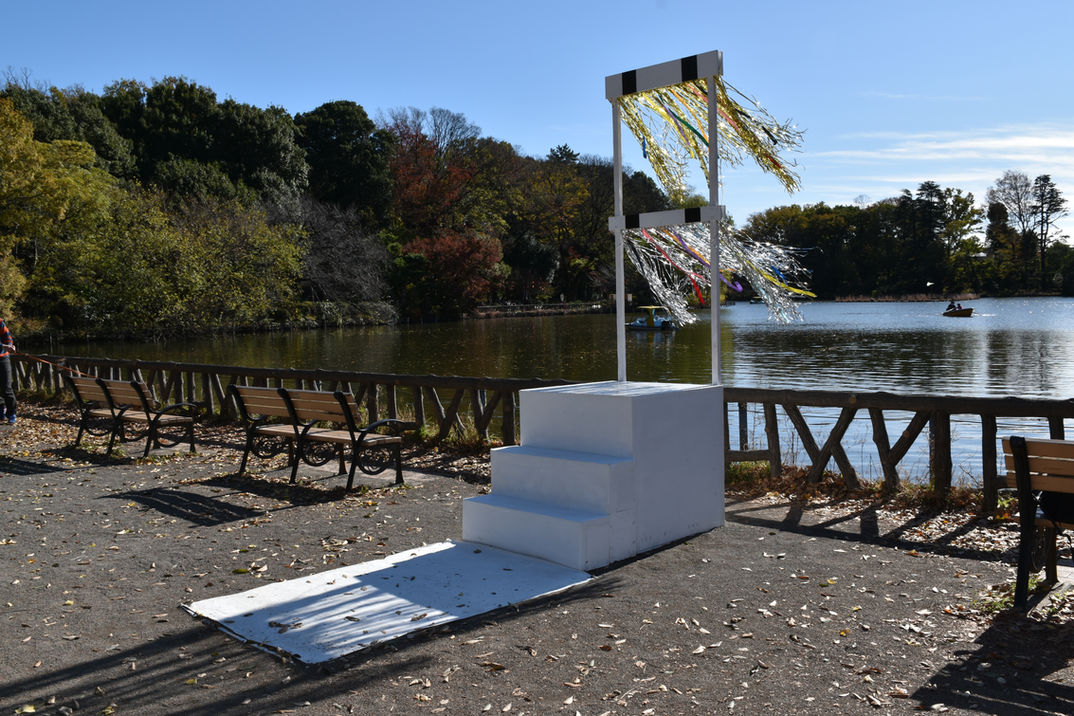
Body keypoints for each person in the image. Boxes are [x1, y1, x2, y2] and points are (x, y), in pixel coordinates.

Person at [0, 318, 16, 425]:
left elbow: (8, 337)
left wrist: (10, 345)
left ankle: (11, 413)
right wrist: (3, 346)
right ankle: (0, 411)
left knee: (6, 387)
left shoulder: (0, 322)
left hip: (3, 358)